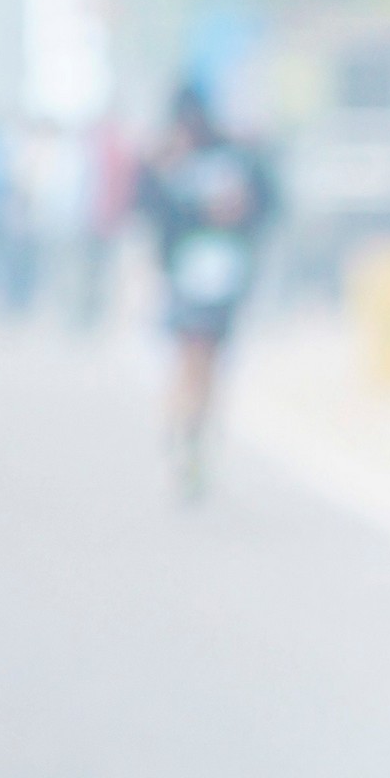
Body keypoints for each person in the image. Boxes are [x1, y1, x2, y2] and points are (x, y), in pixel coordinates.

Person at [139, 84, 277, 499]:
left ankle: (190, 433)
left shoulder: (233, 158)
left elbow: (267, 202)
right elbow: (151, 210)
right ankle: (186, 433)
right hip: (191, 278)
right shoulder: (171, 162)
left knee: (202, 362)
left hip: (220, 278)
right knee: (195, 360)